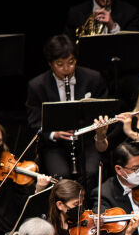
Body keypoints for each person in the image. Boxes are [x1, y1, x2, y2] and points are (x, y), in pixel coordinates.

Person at [25, 34, 111, 185]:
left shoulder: (93, 78)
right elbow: (34, 121)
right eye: (60, 64)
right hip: (55, 145)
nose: (66, 69)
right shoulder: (37, 86)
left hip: (87, 140)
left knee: (91, 172)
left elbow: (104, 110)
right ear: (50, 63)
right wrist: (54, 133)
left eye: (71, 63)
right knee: (61, 176)